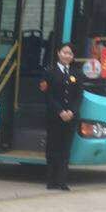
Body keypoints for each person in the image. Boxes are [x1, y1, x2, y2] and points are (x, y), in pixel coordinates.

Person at [43, 42, 81, 191]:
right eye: (64, 52)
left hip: (70, 118)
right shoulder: (50, 72)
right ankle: (51, 180)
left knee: (65, 150)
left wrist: (72, 111)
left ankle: (62, 181)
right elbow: (48, 95)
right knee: (53, 148)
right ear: (58, 53)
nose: (67, 56)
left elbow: (78, 96)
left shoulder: (76, 73)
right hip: (54, 117)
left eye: (70, 53)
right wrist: (60, 112)